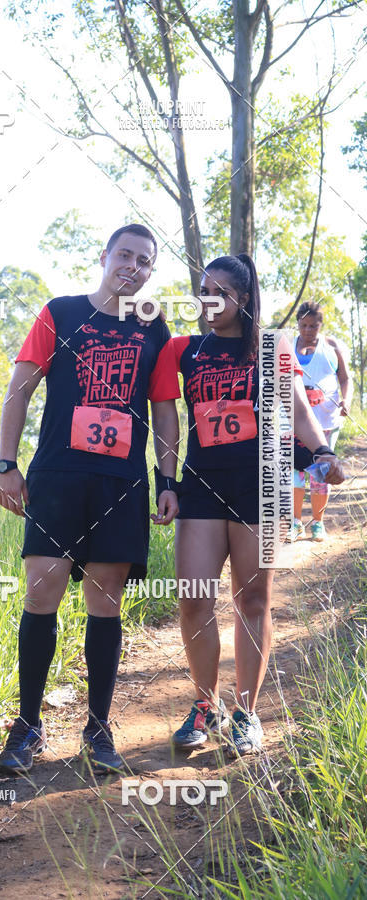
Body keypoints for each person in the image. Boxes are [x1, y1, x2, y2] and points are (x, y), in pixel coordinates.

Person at [0, 223, 179, 775]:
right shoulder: (61, 312)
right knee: (42, 590)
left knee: (106, 600)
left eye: (145, 261)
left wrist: (167, 480)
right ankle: (27, 726)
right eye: (125, 255)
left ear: (150, 271)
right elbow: (20, 389)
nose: (134, 266)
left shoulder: (154, 328)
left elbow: (166, 410)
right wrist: (7, 464)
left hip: (120, 483)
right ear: (104, 257)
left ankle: (98, 729)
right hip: (56, 476)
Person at [154, 255, 345, 757]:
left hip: (260, 484)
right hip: (201, 483)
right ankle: (204, 704)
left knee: (253, 600)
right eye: (202, 289)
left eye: (219, 291)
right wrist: (166, 482)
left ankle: (245, 713)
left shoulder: (270, 347)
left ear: (242, 298)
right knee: (194, 597)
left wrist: (322, 452)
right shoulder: (184, 350)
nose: (207, 300)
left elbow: (298, 411)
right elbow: (166, 416)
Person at [290, 301, 352, 542]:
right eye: (304, 325)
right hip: (294, 422)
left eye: (313, 326)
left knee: (321, 473)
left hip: (325, 420)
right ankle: (296, 523)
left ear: (320, 325)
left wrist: (345, 401)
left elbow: (345, 379)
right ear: (297, 324)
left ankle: (318, 523)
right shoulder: (288, 348)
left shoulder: (331, 346)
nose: (308, 330)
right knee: (296, 473)